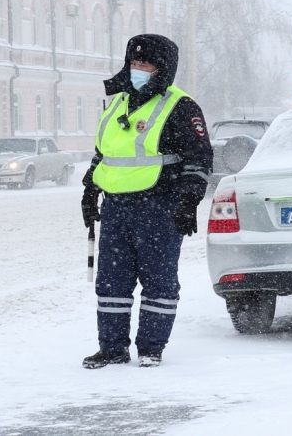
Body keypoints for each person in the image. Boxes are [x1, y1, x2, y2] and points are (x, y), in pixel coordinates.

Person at [81, 34, 213, 369]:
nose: (138, 69)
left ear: (163, 68)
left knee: (158, 281)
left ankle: (152, 348)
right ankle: (112, 348)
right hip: (116, 208)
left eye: (147, 63)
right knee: (112, 282)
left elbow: (198, 159)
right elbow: (105, 154)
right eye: (134, 62)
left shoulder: (181, 106)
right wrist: (90, 189)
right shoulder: (118, 103)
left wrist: (188, 202)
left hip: (160, 207)